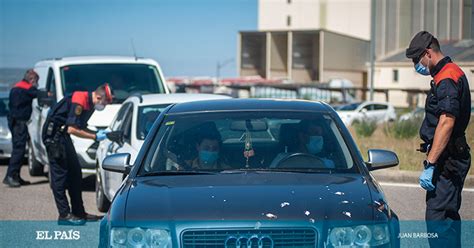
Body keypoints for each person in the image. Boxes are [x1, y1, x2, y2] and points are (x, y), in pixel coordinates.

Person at [406, 31, 471, 247]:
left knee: (438, 220)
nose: (416, 65)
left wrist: (431, 163)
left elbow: (446, 121)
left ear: (428, 53)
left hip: (448, 159)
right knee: (447, 219)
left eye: (417, 59)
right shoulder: (446, 74)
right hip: (449, 156)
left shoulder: (447, 77)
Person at [42, 83, 113, 225]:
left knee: (75, 173)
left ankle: (79, 212)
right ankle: (64, 215)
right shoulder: (80, 100)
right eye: (105, 102)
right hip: (54, 137)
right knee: (60, 177)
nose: (104, 106)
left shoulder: (90, 103)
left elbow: (79, 125)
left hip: (63, 136)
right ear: (98, 97)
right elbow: (72, 129)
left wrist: (97, 132)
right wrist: (94, 137)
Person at [3, 69, 39, 187]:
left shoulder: (16, 87)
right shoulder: (26, 89)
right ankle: (10, 176)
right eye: (36, 81)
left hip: (14, 121)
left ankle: (15, 176)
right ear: (31, 79)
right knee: (19, 150)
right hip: (19, 123)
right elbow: (39, 94)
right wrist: (48, 94)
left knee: (19, 149)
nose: (36, 84)